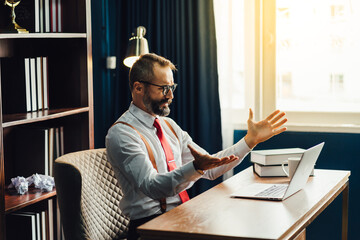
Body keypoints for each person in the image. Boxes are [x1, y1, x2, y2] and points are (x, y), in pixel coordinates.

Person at [105, 53, 287, 240]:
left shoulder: (168, 126)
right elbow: (153, 186)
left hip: (181, 217)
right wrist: (196, 167)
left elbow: (211, 168)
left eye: (172, 87)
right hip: (149, 228)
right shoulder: (122, 134)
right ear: (138, 87)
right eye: (164, 88)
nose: (171, 95)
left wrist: (250, 140)